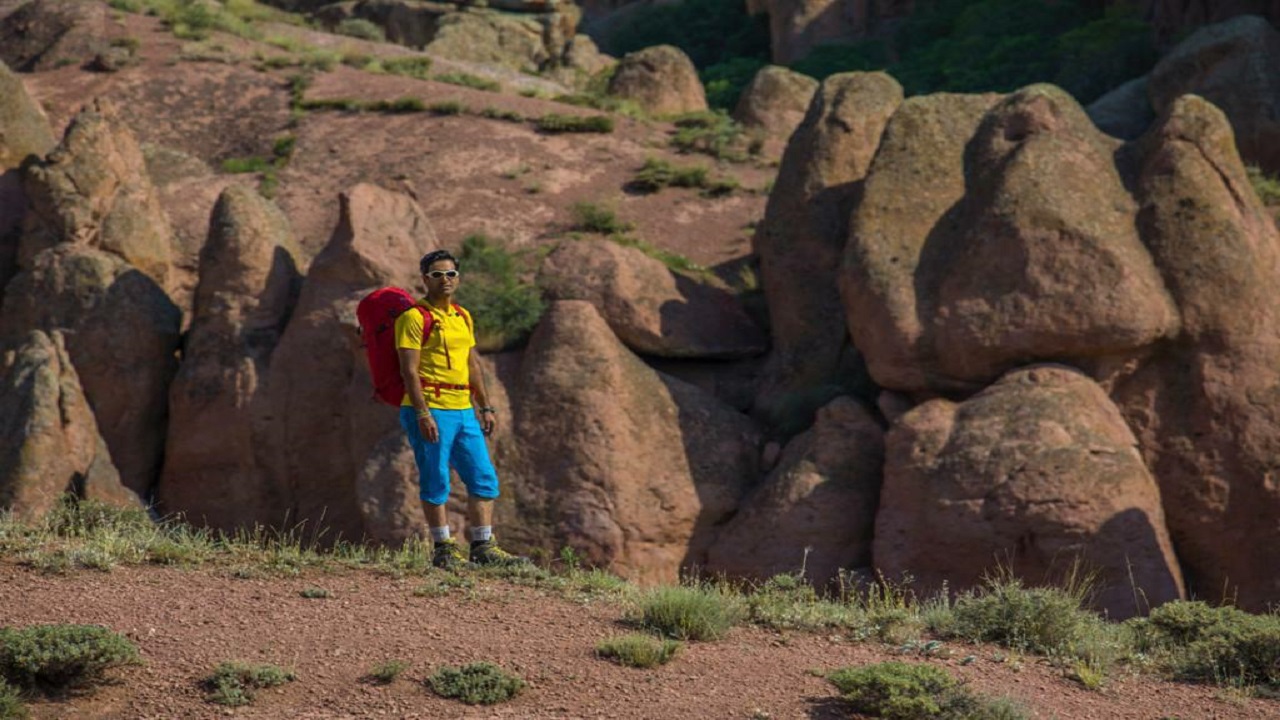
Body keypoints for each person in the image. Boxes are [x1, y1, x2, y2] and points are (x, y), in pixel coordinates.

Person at [395, 249, 525, 569]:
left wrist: (485, 406)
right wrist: (423, 413)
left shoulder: (462, 316)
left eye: (450, 274)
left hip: (463, 408)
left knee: (483, 477)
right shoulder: (414, 318)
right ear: (425, 279)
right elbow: (408, 371)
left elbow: (471, 364)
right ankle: (443, 548)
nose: (445, 280)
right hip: (430, 407)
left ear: (459, 278)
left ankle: (482, 545)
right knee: (436, 477)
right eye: (437, 275)